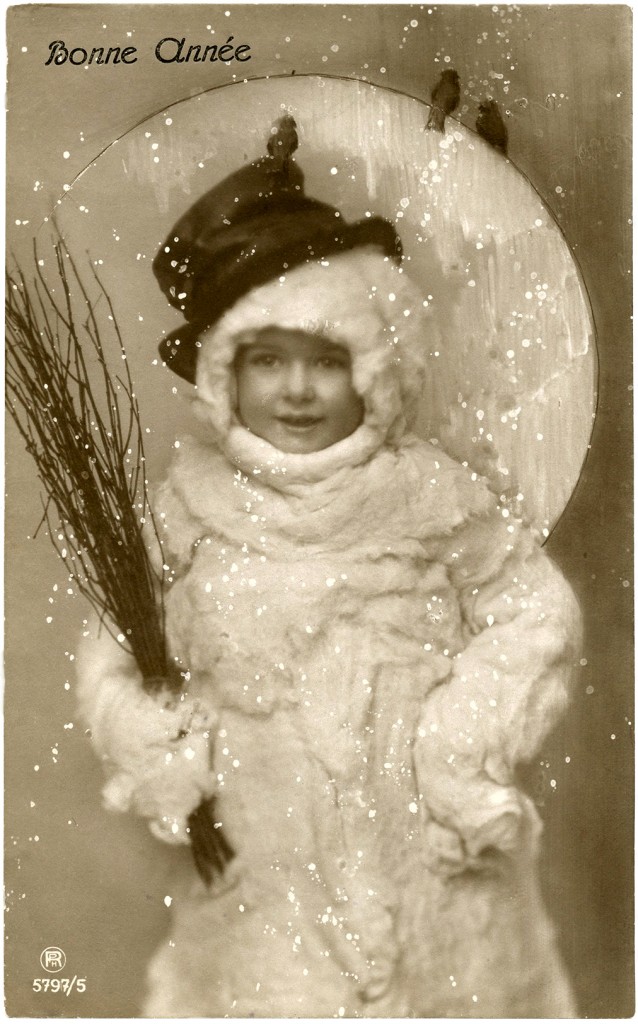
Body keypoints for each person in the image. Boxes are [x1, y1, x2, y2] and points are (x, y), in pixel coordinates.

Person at [76, 118, 580, 1017]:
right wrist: (165, 753)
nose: (297, 391)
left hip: (424, 856)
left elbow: (533, 612)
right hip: (265, 870)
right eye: (267, 361)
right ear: (224, 376)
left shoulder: (429, 495)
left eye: (327, 362)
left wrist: (461, 745)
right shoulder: (187, 510)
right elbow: (115, 657)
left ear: (378, 375)